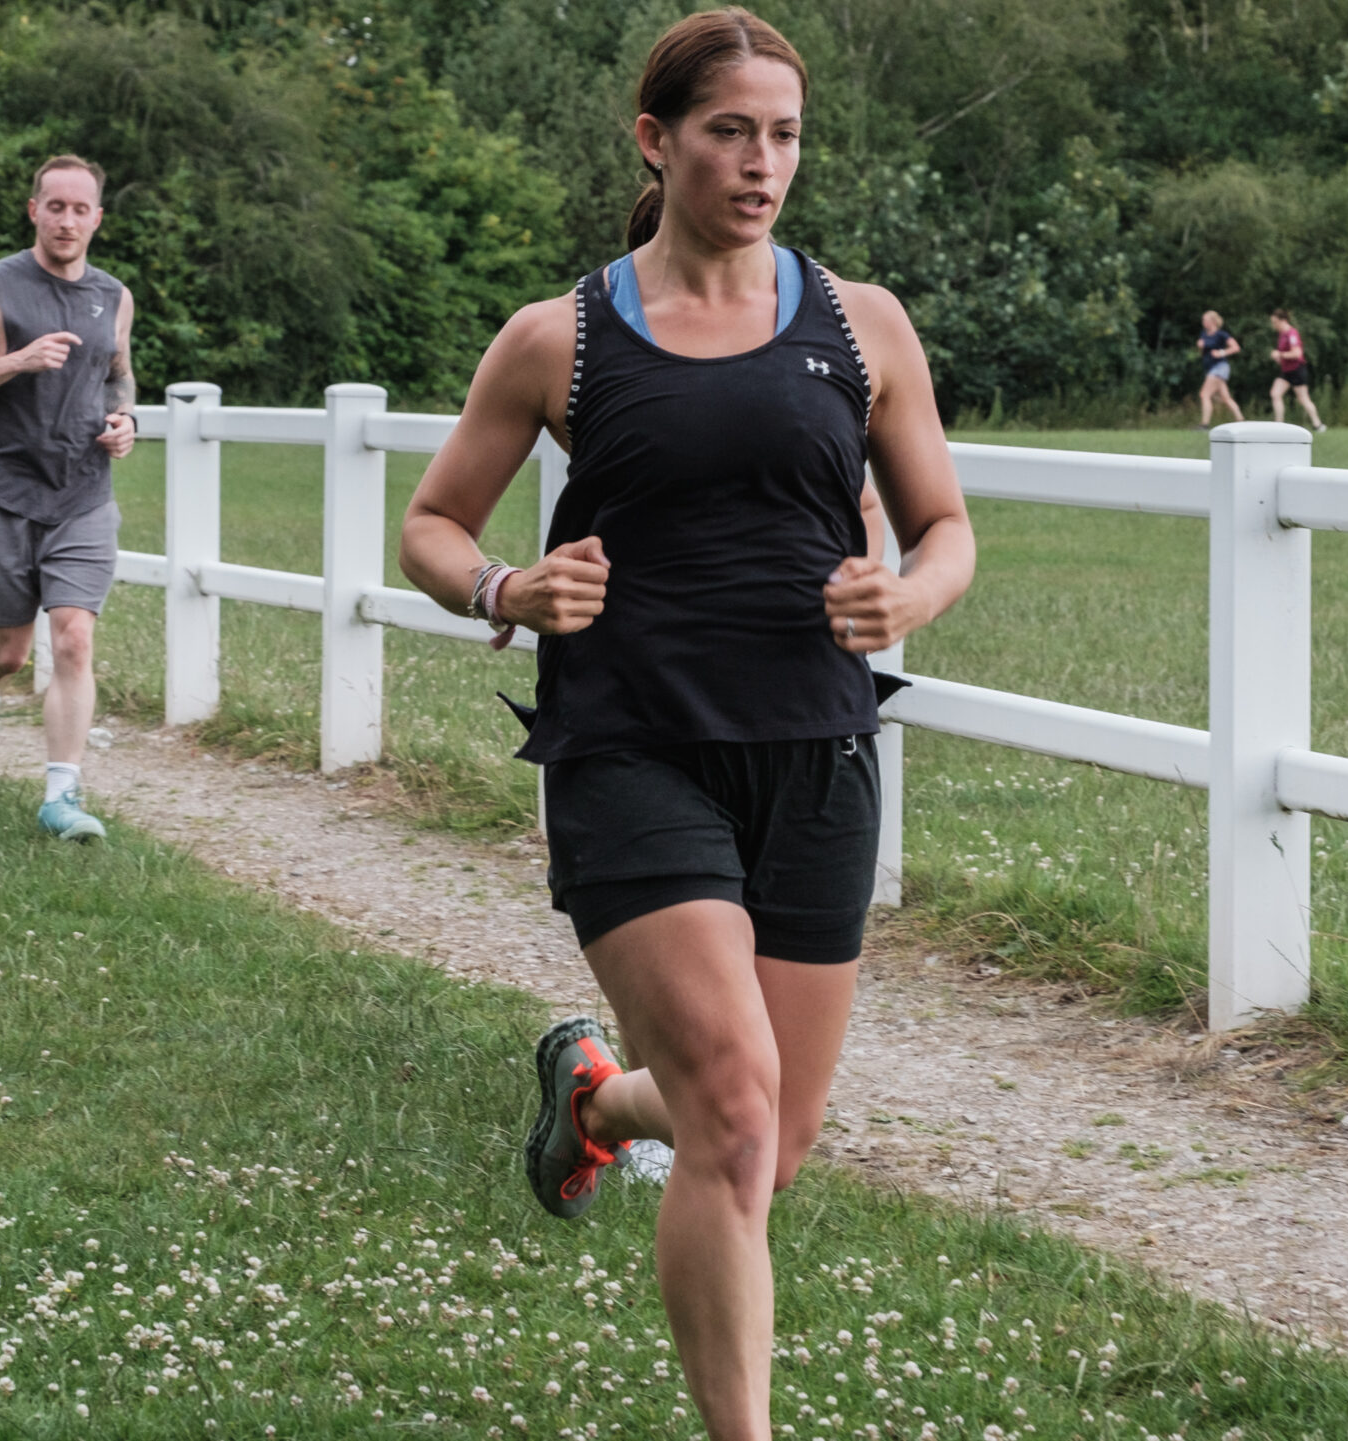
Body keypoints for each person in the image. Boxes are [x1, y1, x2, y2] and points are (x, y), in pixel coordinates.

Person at [395, 10, 975, 1439]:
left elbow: (948, 525)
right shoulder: (562, 338)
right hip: (629, 747)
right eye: (731, 130)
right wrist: (506, 586)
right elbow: (430, 521)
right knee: (730, 1111)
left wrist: (908, 600)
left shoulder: (864, 323)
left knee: (772, 1143)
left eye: (784, 134)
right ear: (657, 141)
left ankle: (592, 1103)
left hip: (819, 754)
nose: (763, 161)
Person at [0, 154, 137, 842]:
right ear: (34, 210)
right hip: (4, 488)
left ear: (97, 218)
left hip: (83, 490)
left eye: (81, 209)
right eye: (56, 206)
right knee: (10, 652)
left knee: (74, 637)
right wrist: (16, 360)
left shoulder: (115, 295)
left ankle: (61, 796)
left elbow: (119, 376)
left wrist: (125, 421)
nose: (68, 220)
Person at [1266, 308, 1327, 431]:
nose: (1274, 325)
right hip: (1286, 371)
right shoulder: (1282, 335)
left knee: (1303, 398)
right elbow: (1285, 355)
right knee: (1275, 394)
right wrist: (1278, 357)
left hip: (1297, 370)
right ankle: (1279, 425)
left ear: (1283, 320)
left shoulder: (1291, 333)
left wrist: (1280, 354)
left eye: (1275, 322)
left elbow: (1297, 353)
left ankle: (1318, 424)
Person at [1194, 309, 1244, 429]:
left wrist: (1221, 352)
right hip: (1211, 368)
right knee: (1225, 398)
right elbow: (1203, 353)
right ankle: (1241, 421)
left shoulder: (1221, 334)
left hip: (1219, 368)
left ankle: (1204, 424)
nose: (1203, 322)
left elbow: (1236, 347)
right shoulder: (1204, 334)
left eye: (1205, 320)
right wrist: (1200, 347)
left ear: (1213, 321)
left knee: (1204, 394)